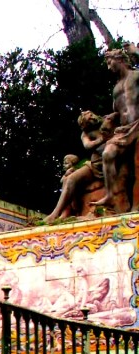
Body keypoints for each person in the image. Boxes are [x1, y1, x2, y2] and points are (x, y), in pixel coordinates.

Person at [45, 111, 115, 223]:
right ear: (84, 125)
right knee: (71, 179)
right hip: (94, 165)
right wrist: (102, 139)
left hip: (112, 161)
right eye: (88, 119)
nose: (92, 118)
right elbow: (87, 145)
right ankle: (56, 213)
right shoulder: (86, 134)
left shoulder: (108, 121)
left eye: (92, 115)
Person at [93, 46, 139, 210]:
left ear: (119, 60)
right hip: (124, 129)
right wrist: (112, 117)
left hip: (138, 124)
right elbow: (117, 110)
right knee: (108, 153)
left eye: (109, 62)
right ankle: (110, 194)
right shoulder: (116, 88)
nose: (108, 66)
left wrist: (135, 52)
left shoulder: (135, 76)